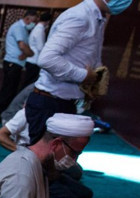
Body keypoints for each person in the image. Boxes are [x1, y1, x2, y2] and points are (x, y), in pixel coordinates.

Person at [24, 0, 130, 145]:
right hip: (50, 103)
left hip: (64, 103)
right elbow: (47, 59)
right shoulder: (80, 17)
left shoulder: (97, 19)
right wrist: (83, 76)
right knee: (45, 161)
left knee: (60, 161)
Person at [0, 108, 93, 198]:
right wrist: (24, 152)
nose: (74, 159)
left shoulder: (56, 116)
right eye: (73, 153)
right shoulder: (21, 174)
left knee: (84, 191)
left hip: (46, 164)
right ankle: (35, 196)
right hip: (34, 163)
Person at [0, 10, 37, 123]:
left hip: (15, 63)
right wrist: (29, 53)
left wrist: (26, 53)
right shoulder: (19, 28)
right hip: (13, 63)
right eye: (34, 21)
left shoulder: (23, 29)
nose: (34, 24)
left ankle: (2, 114)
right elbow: (22, 46)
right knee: (8, 90)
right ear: (28, 19)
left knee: (10, 90)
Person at [21, 11, 50, 89]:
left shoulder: (36, 28)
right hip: (34, 60)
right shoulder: (40, 30)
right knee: (28, 83)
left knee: (27, 81)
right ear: (48, 21)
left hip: (31, 59)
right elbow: (40, 47)